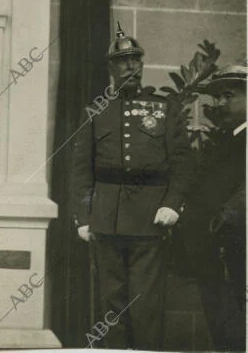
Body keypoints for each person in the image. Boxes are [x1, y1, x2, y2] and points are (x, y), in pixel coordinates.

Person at [70, 24, 195, 350]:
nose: (130, 67)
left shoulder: (164, 109)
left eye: (135, 60)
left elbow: (183, 164)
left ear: (141, 65)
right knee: (110, 302)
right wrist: (83, 216)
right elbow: (82, 170)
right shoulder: (96, 111)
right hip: (105, 218)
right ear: (111, 68)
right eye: (123, 61)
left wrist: (173, 203)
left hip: (149, 218)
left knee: (146, 302)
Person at [182, 61, 246, 351]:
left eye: (228, 95)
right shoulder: (229, 139)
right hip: (214, 253)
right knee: (222, 324)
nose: (219, 103)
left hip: (235, 252)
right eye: (216, 97)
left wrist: (225, 217)